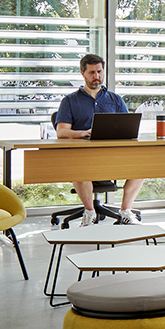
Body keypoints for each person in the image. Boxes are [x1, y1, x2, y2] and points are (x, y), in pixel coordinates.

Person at [55, 53, 143, 225]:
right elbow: (62, 132)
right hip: (83, 157)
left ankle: (125, 211)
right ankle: (89, 213)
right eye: (92, 73)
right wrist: (84, 133)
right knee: (80, 169)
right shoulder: (70, 101)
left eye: (99, 72)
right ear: (83, 74)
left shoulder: (115, 99)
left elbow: (127, 127)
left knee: (141, 167)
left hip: (112, 156)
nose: (97, 76)